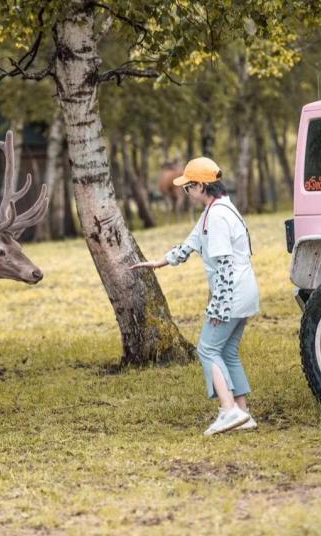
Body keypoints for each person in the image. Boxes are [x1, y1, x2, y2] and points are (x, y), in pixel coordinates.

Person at [130, 156, 260, 436]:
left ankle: (228, 411)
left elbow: (224, 263)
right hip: (245, 292)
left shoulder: (218, 217)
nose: (185, 192)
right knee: (228, 351)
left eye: (188, 187)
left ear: (201, 186)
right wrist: (159, 262)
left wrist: (219, 306)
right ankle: (244, 413)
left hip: (232, 293)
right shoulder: (216, 209)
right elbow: (190, 243)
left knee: (207, 349)